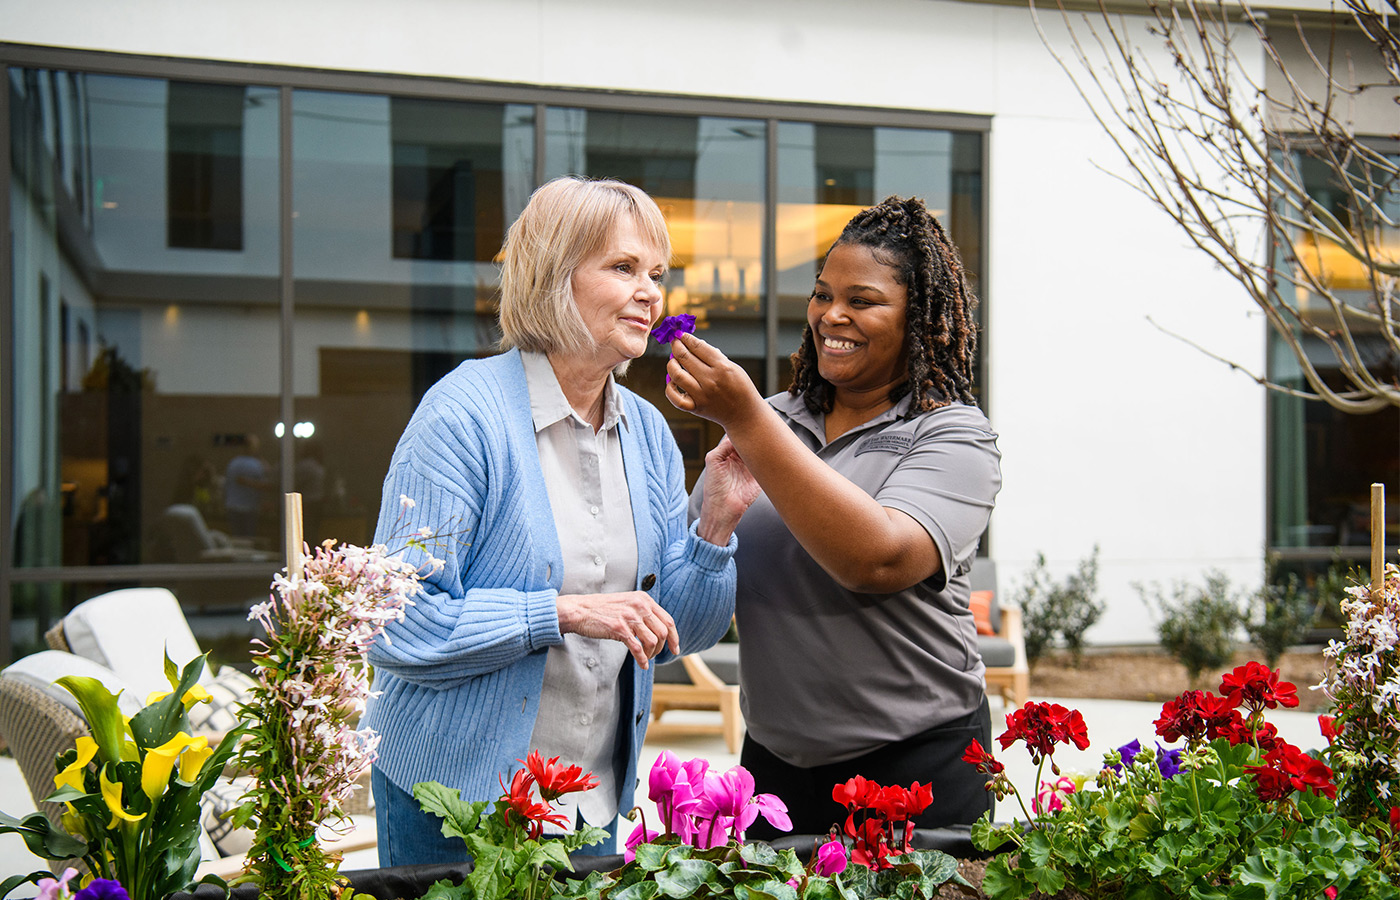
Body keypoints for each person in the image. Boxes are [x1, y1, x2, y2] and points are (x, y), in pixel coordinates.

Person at [362, 176, 759, 867]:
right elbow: (394, 622)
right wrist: (561, 613)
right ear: (553, 276)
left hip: (589, 802)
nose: (651, 293)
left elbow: (670, 636)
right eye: (622, 267)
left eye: (657, 274)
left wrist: (715, 527)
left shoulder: (650, 436)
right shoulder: (461, 416)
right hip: (454, 800)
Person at [668, 196, 1002, 836]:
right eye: (822, 295)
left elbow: (875, 559)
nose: (832, 316)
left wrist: (746, 418)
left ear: (919, 319)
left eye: (863, 300)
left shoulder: (954, 436)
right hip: (775, 771)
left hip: (919, 768)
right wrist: (710, 527)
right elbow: (684, 586)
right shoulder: (773, 420)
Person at [223, 433, 270, 539]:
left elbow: (226, 487)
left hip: (233, 506)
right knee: (249, 539)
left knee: (236, 539)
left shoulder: (233, 463)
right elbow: (265, 485)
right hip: (249, 508)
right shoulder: (257, 465)